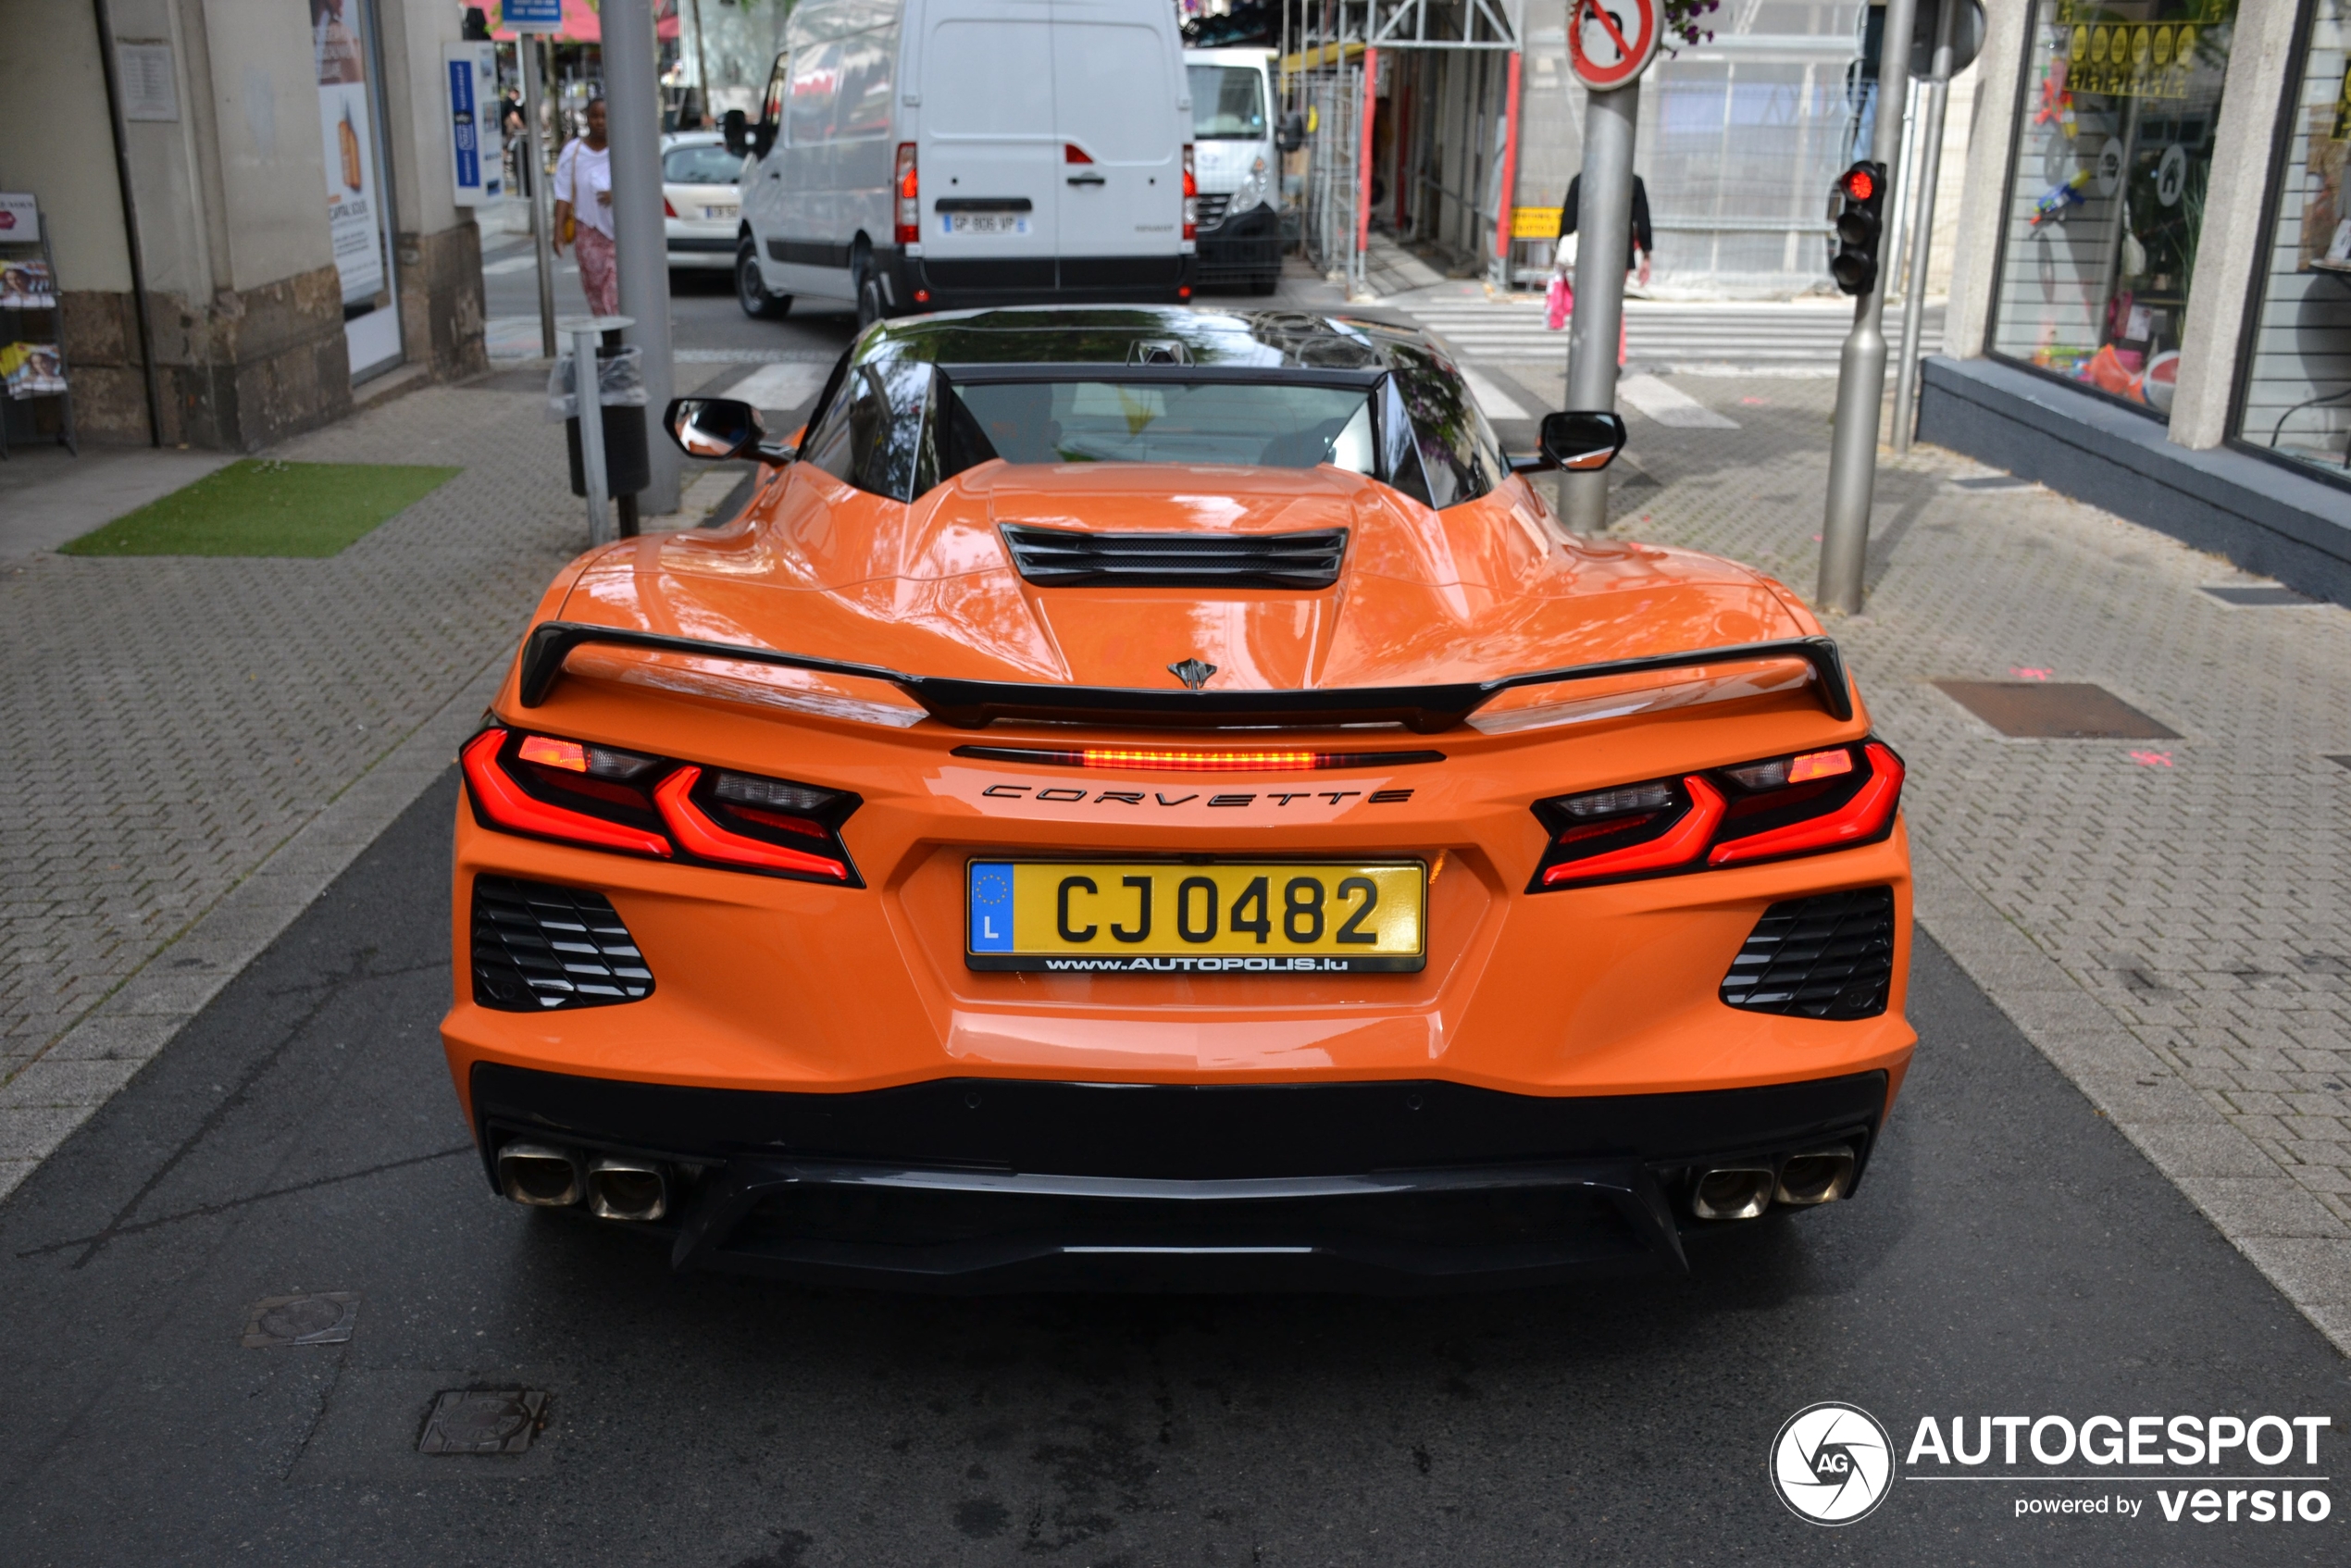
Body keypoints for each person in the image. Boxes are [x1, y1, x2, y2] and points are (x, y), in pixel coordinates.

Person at [1552, 173, 1653, 364]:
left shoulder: (1581, 179)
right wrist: (1646, 255)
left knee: (1587, 304)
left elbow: (1568, 219)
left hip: (1586, 254)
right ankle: (1615, 357)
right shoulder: (1632, 181)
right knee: (1614, 307)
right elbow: (1643, 219)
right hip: (1620, 255)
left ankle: (1585, 355)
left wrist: (1561, 253)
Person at [553, 97, 618, 316]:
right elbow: (563, 193)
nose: (600, 122)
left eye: (605, 116)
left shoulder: (622, 151)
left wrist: (617, 194)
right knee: (596, 292)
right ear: (587, 119)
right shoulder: (573, 152)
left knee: (614, 292)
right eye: (595, 116)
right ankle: (608, 339)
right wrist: (558, 230)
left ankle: (619, 338)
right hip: (587, 232)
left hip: (619, 235)